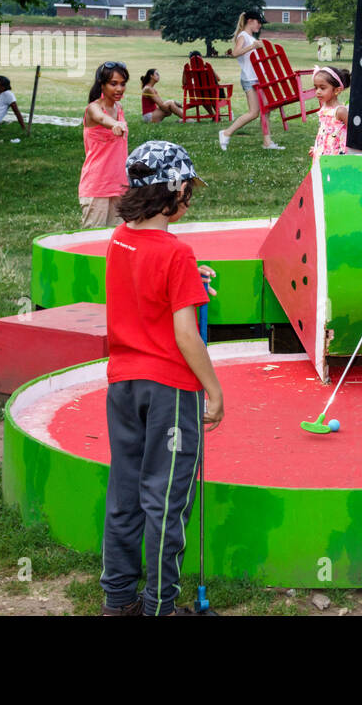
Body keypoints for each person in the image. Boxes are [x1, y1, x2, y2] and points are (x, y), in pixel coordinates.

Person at [100, 140, 223, 616]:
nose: (191, 196)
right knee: (166, 499)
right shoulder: (176, 253)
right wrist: (213, 388)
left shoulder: (119, 240)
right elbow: (185, 335)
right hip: (171, 389)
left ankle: (118, 599)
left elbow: (143, 284)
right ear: (173, 194)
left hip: (123, 384)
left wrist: (189, 276)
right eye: (188, 188)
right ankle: (160, 606)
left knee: (126, 492)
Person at [219, 10, 283, 151]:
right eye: (258, 22)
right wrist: (253, 46)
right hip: (249, 79)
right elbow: (235, 53)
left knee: (266, 110)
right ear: (250, 21)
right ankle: (226, 133)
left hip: (258, 78)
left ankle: (267, 142)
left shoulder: (251, 37)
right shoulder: (243, 36)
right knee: (253, 113)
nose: (260, 25)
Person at [79, 61, 130, 228]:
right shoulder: (93, 108)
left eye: (122, 84)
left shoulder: (119, 107)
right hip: (97, 185)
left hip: (120, 184)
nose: (119, 89)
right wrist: (114, 124)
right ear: (102, 84)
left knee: (118, 238)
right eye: (113, 84)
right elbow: (102, 118)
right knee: (93, 240)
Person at [309, 65, 350, 158]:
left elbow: (353, 134)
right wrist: (317, 147)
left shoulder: (340, 111)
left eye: (322, 88)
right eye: (316, 87)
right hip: (322, 154)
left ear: (337, 90)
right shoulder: (324, 108)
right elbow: (323, 132)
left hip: (336, 157)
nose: (318, 91)